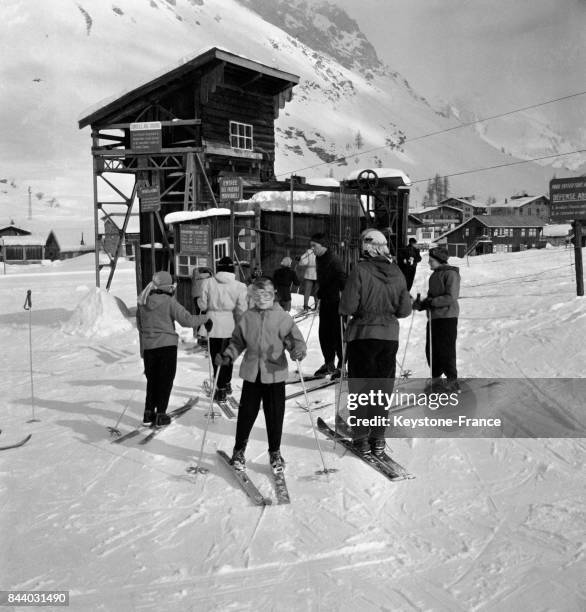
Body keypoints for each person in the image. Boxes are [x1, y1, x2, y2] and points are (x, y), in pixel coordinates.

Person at [215, 277, 306, 470]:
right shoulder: (247, 317)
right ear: (253, 296)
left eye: (266, 294)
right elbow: (238, 341)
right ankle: (239, 451)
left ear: (273, 295)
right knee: (247, 414)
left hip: (274, 374)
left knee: (274, 415)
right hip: (252, 373)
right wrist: (228, 356)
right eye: (257, 294)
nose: (261, 298)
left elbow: (295, 340)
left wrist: (297, 350)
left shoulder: (283, 318)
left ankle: (275, 453)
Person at [339, 229, 412, 456]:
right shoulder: (398, 272)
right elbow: (404, 310)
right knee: (382, 387)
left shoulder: (360, 270)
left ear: (365, 248)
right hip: (389, 337)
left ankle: (360, 438)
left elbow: (347, 307)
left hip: (363, 335)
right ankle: (378, 437)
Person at [137, 270, 212, 426]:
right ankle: (161, 415)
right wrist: (205, 318)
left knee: (152, 381)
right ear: (167, 286)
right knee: (165, 381)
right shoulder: (169, 301)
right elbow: (187, 320)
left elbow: (141, 328)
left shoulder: (143, 302)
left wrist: (143, 351)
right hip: (166, 347)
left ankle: (148, 413)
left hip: (149, 348)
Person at [198, 256, 248, 401]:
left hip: (212, 324)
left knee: (215, 356)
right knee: (228, 356)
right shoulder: (240, 286)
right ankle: (226, 383)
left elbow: (203, 305)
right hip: (230, 323)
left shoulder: (207, 282)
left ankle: (219, 388)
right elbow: (242, 308)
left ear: (218, 268)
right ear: (232, 269)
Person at [412, 246, 460, 392]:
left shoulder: (451, 274)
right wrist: (422, 304)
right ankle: (436, 378)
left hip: (447, 317)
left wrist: (431, 303)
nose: (429, 263)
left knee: (445, 349)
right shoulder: (434, 275)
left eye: (431, 260)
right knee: (432, 350)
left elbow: (451, 297)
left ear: (439, 260)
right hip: (434, 318)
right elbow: (433, 297)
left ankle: (452, 380)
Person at [311, 232, 346, 378]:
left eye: (314, 246)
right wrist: (320, 292)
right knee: (324, 334)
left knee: (337, 334)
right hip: (326, 300)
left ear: (323, 245)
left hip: (336, 303)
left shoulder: (334, 259)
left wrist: (343, 298)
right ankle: (329, 362)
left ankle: (342, 365)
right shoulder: (319, 258)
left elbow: (342, 279)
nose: (312, 249)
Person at [191, 265, 213, 344]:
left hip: (196, 297)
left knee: (197, 315)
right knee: (205, 315)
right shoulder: (209, 278)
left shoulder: (196, 276)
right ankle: (203, 336)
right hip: (204, 297)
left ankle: (197, 334)